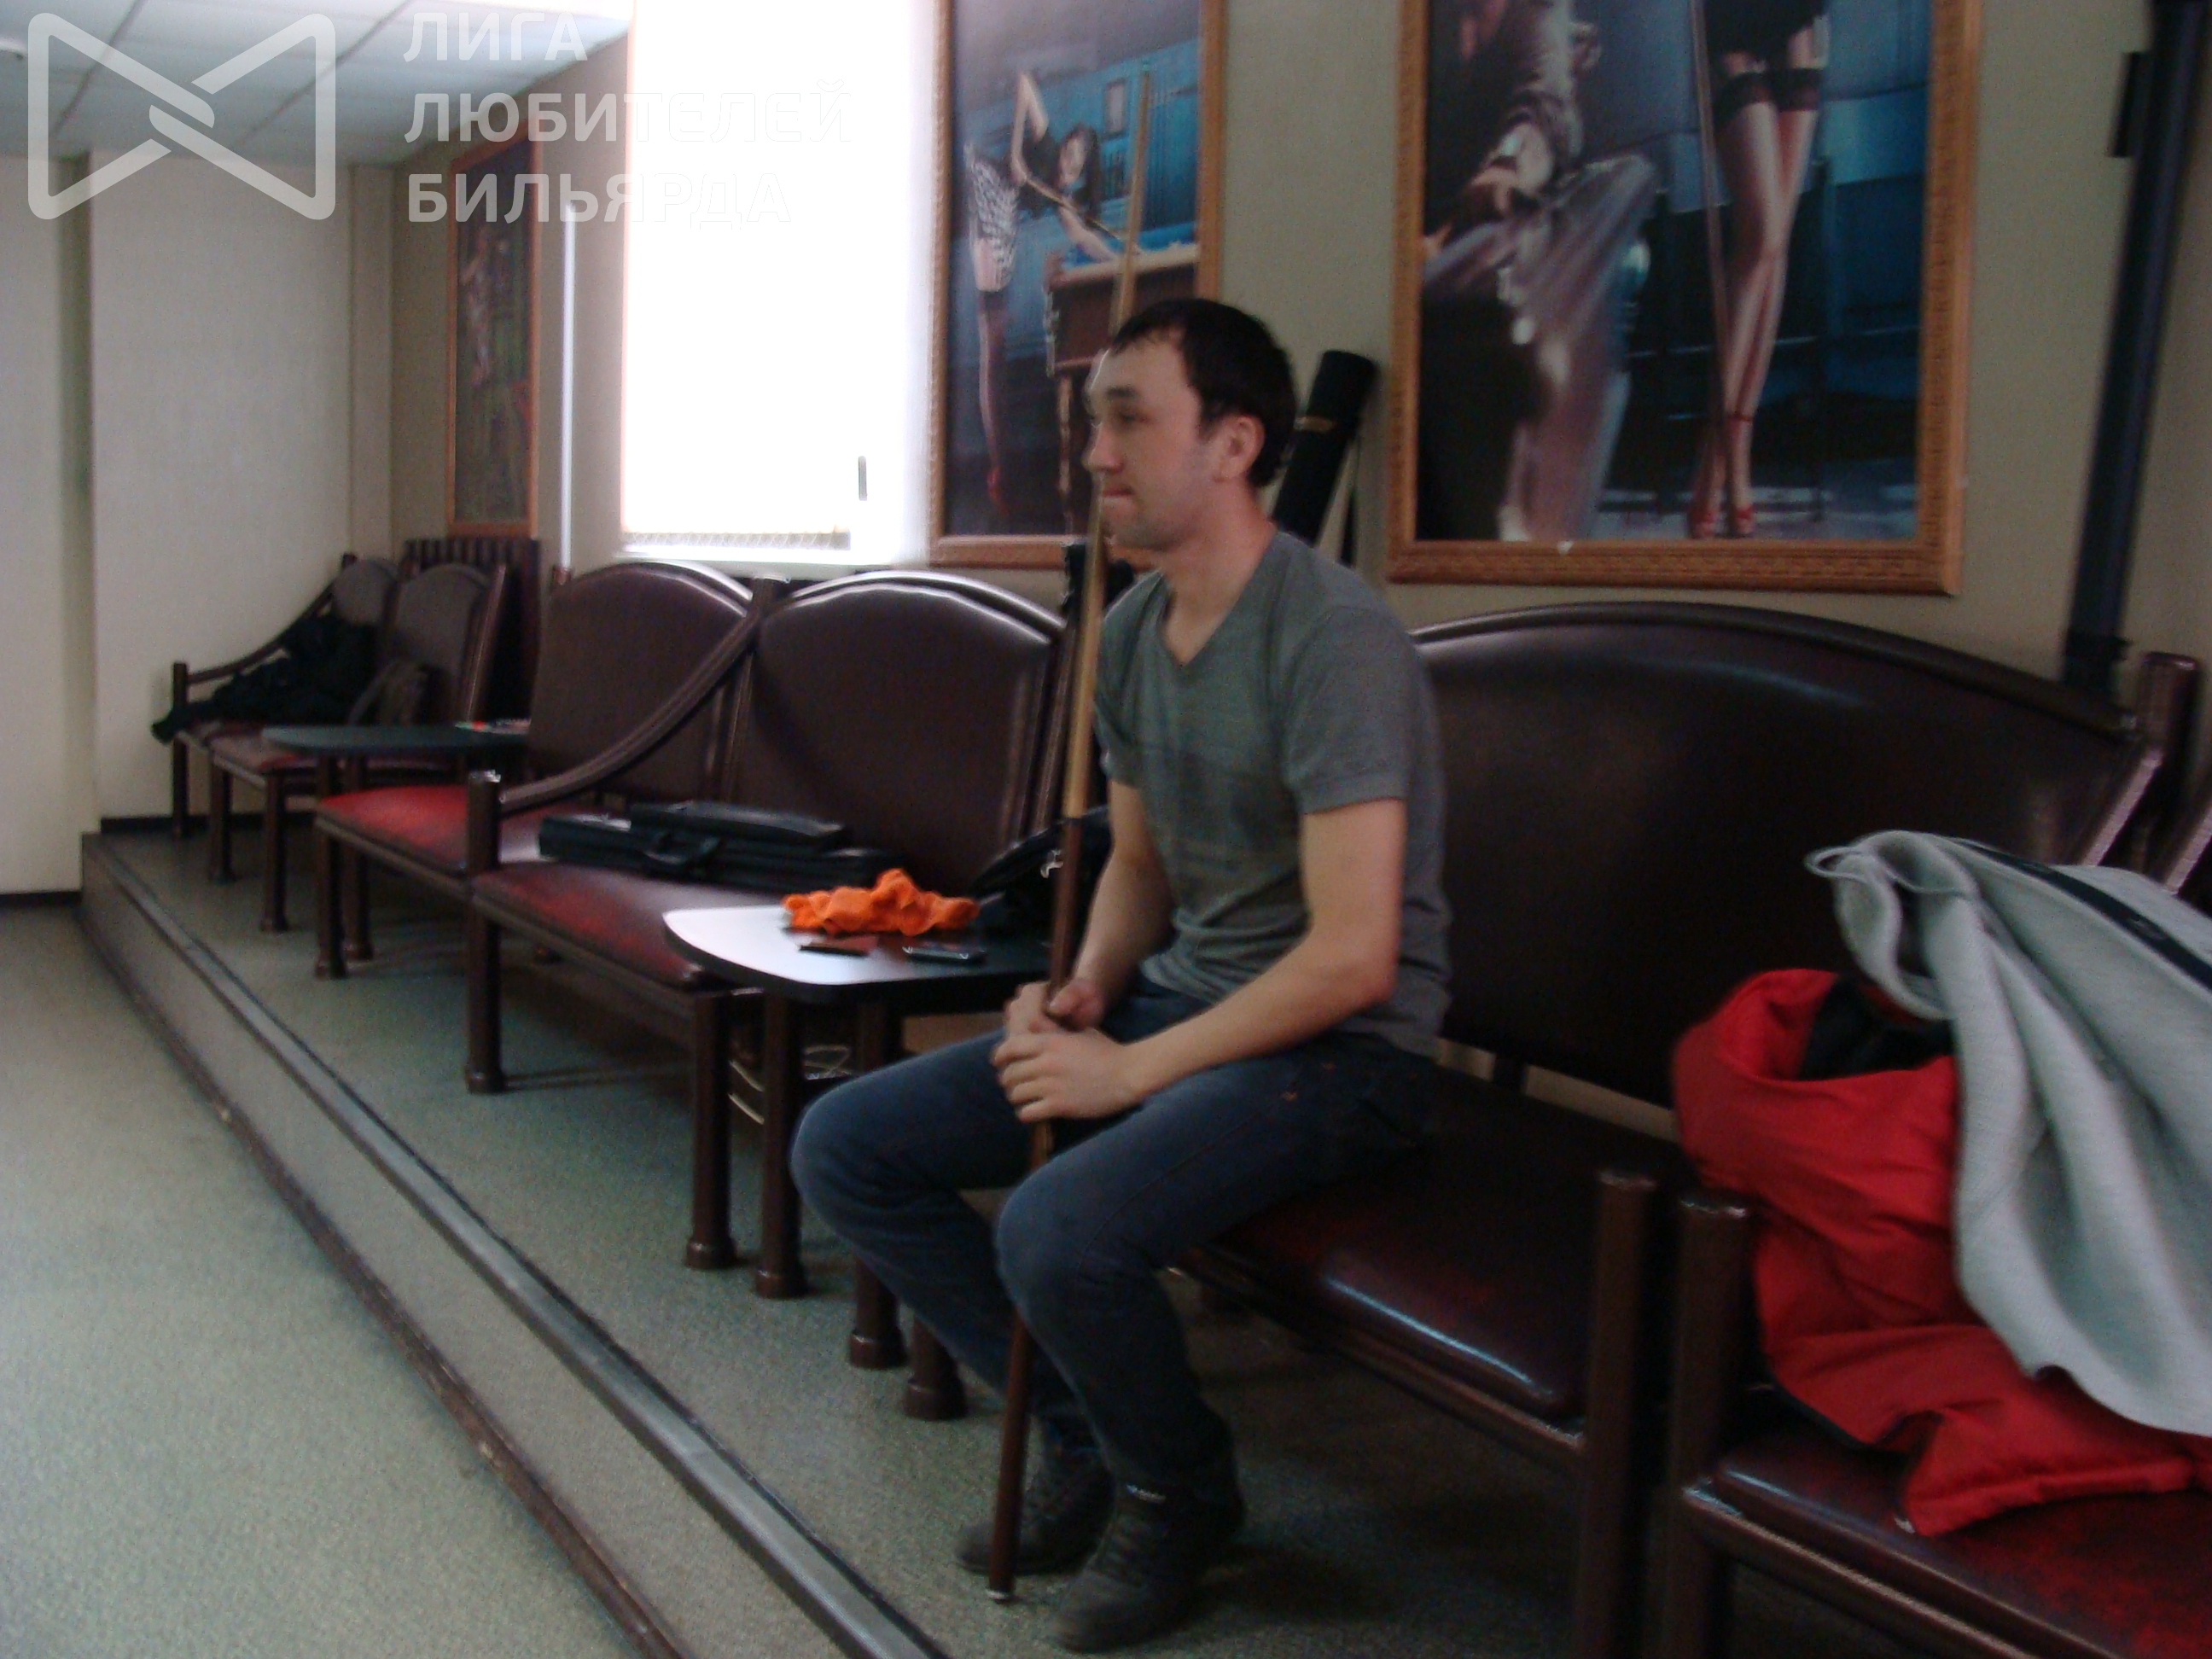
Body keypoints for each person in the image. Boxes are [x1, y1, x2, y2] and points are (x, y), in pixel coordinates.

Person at [794, 300, 1451, 1652]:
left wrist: (1127, 1070)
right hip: (1183, 1005)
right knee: (847, 1147)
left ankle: (1180, 1492)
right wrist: (1087, 986)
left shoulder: (1333, 637)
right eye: (1094, 419)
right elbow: (1141, 865)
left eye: (1131, 418)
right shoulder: (1137, 626)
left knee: (1057, 1227)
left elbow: (1354, 956)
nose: (1095, 450)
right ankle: (1088, 1437)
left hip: (1346, 1056)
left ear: (1234, 444)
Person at [1690, 0, 1829, 538]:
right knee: (1763, 234)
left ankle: (1737, 451)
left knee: (1776, 244)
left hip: (1798, 19)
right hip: (1731, 21)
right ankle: (1714, 454)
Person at [966, 70, 1115, 525]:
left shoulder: (1060, 195)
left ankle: (1000, 469)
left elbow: (1084, 239)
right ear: (1062, 145)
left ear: (1083, 173)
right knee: (992, 336)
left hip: (1004, 217)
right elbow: (1024, 82)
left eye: (1076, 165)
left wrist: (1121, 256)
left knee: (995, 342)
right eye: (1068, 154)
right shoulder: (1045, 146)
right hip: (988, 185)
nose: (1067, 166)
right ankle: (999, 469)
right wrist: (1016, 151)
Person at [1421, 0, 1583, 257]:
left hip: (1492, 241)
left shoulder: (1536, 11)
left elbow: (1541, 109)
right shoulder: (1430, 16)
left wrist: (1507, 164)